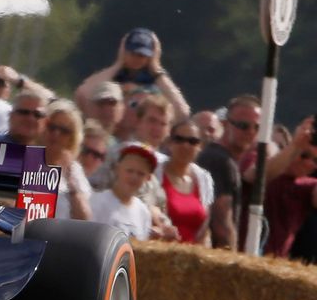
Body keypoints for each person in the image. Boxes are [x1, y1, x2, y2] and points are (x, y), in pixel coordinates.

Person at [75, 28, 191, 121]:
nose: (136, 58)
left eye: (142, 55)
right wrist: (118, 64)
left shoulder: (157, 84)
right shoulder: (111, 78)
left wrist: (156, 69)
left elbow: (183, 113)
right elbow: (81, 95)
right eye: (133, 53)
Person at [198, 94, 259, 249]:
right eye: (243, 126)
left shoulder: (223, 159)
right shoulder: (220, 161)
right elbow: (222, 225)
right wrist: (232, 263)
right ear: (225, 124)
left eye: (257, 127)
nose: (251, 132)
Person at [264, 118, 317, 260]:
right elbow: (260, 177)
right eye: (304, 155)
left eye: (316, 161)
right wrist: (296, 145)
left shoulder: (306, 186)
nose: (309, 163)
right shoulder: (269, 168)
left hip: (275, 263)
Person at [158, 118, 215, 246]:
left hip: (192, 258)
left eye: (193, 141)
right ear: (169, 143)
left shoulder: (204, 179)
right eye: (179, 139)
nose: (185, 146)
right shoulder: (155, 174)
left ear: (200, 147)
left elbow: (205, 229)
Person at [90, 144, 156, 240]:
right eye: (129, 171)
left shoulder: (143, 212)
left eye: (141, 174)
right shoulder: (97, 202)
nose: (134, 177)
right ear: (117, 169)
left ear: (148, 178)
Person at [43, 100, 92, 220]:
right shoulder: (26, 159)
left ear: (72, 138)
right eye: (52, 127)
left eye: (64, 131)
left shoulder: (75, 171)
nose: (56, 133)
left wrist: (70, 181)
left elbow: (84, 218)